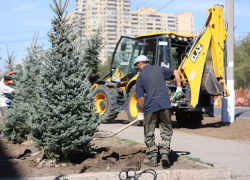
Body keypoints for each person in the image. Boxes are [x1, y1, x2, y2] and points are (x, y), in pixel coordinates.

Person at [134, 55, 183, 168]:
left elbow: (141, 98)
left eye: (137, 66)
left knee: (149, 132)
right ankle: (165, 153)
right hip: (165, 104)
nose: (138, 68)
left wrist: (141, 112)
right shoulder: (160, 69)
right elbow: (176, 72)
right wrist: (179, 88)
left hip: (151, 106)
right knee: (166, 130)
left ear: (140, 64)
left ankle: (153, 158)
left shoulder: (140, 77)